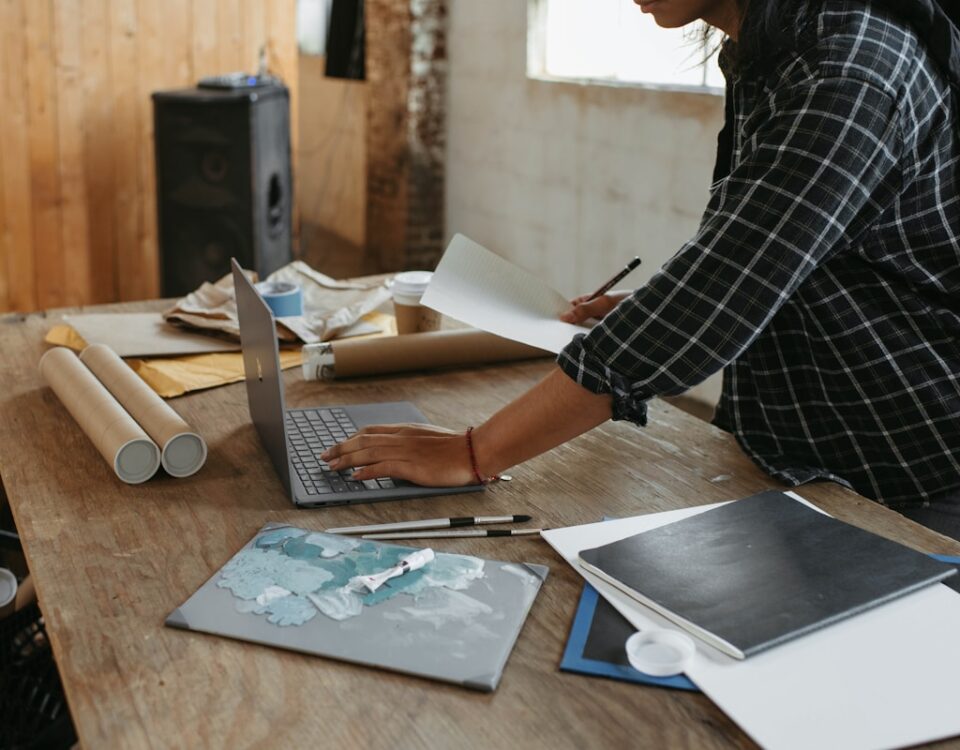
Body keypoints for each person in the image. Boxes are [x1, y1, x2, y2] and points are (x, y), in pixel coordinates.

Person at [323, 0, 960, 540]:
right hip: (802, 455)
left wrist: (473, 452)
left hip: (907, 472)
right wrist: (655, 307)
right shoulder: (771, 50)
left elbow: (712, 304)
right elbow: (772, 262)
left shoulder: (844, 69)